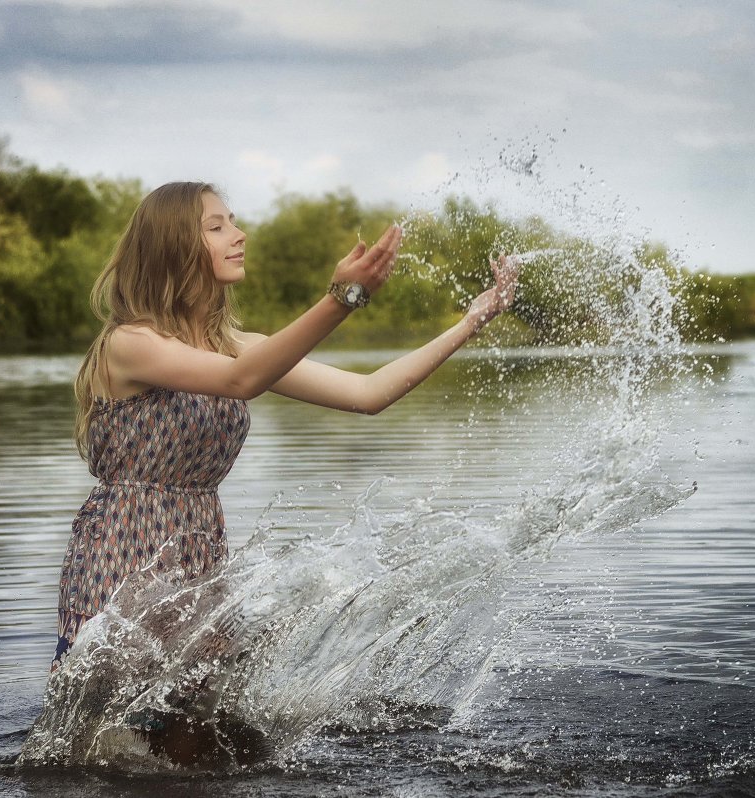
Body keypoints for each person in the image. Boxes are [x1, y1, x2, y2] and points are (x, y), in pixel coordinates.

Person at [53, 181, 518, 671]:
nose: (240, 235)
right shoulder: (129, 344)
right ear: (174, 247)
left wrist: (473, 320)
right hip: (123, 554)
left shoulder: (234, 343)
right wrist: (342, 298)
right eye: (217, 226)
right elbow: (242, 381)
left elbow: (368, 394)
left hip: (199, 553)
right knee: (105, 737)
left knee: (198, 736)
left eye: (232, 221)